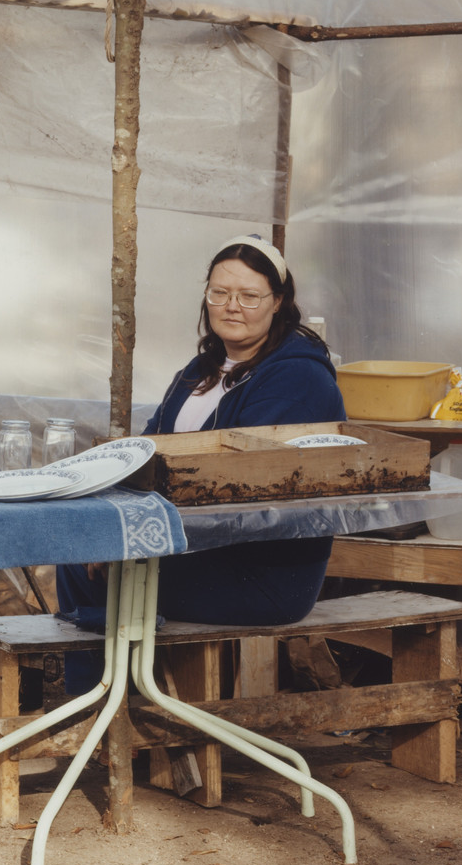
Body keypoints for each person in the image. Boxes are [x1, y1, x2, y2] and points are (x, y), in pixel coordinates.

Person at [56, 234, 345, 693]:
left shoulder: (297, 377)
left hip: (260, 572)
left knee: (91, 568)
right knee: (81, 554)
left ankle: (114, 711)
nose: (232, 306)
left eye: (250, 296)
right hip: (197, 549)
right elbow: (146, 453)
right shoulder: (202, 369)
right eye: (219, 293)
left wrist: (130, 541)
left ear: (279, 302)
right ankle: (115, 707)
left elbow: (233, 490)